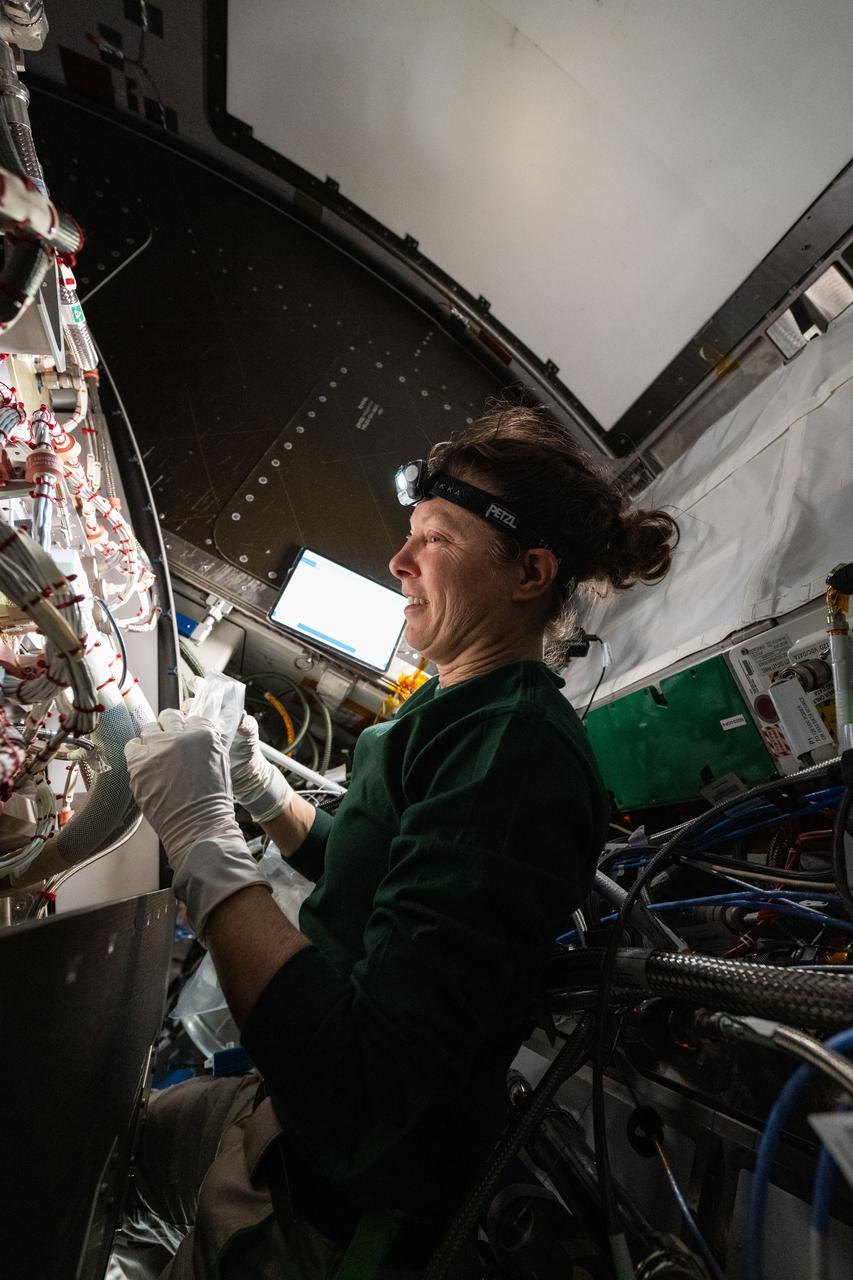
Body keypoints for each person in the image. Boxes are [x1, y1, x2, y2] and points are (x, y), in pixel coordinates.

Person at [117, 401, 679, 1279]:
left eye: (435, 541)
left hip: (330, 1203)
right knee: (95, 1160)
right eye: (409, 533)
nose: (398, 561)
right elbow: (363, 857)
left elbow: (360, 1087)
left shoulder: (514, 751)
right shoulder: (452, 701)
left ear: (529, 572)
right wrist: (262, 794)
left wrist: (200, 843)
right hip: (277, 1117)